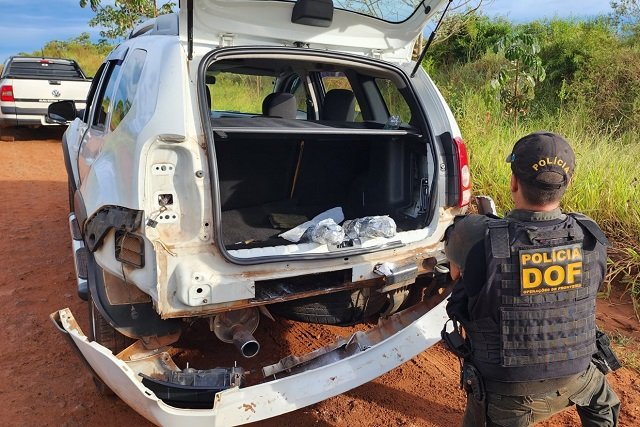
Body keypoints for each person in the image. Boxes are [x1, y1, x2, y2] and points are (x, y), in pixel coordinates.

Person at [443, 131, 620, 426]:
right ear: (568, 183)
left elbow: (454, 273)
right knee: (604, 406)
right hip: (579, 375)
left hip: (509, 392)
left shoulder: (475, 234)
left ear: (514, 182)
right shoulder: (590, 233)